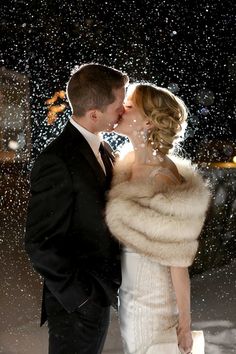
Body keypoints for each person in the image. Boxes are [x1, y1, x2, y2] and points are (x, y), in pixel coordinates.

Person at [25, 63, 128, 354]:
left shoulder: (103, 148)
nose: (124, 110)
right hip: (75, 306)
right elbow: (39, 243)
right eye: (119, 105)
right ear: (94, 114)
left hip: (99, 295)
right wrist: (83, 298)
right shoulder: (57, 160)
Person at [105, 83, 211, 354]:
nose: (121, 110)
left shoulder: (161, 175)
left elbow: (178, 261)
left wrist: (185, 324)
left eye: (129, 106)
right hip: (130, 298)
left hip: (156, 304)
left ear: (149, 122)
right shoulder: (127, 163)